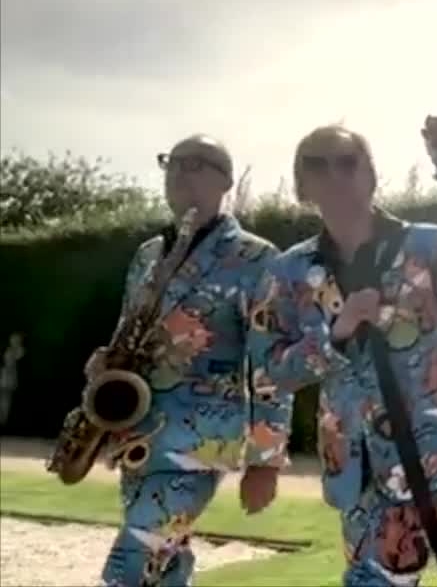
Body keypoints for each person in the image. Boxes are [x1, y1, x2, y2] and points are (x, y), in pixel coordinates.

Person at [245, 125, 437, 587]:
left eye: (347, 162)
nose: (334, 174)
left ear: (371, 175)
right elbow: (268, 373)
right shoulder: (288, 271)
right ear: (302, 185)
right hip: (355, 471)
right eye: (317, 165)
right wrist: (335, 337)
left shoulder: (428, 245)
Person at [94, 135, 281, 587]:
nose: (179, 172)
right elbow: (127, 330)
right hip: (136, 433)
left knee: (130, 561)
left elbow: (272, 365)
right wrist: (106, 368)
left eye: (196, 163)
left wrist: (266, 460)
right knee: (166, 565)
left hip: (199, 444)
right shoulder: (147, 255)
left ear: (226, 181)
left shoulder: (256, 258)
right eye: (172, 162)